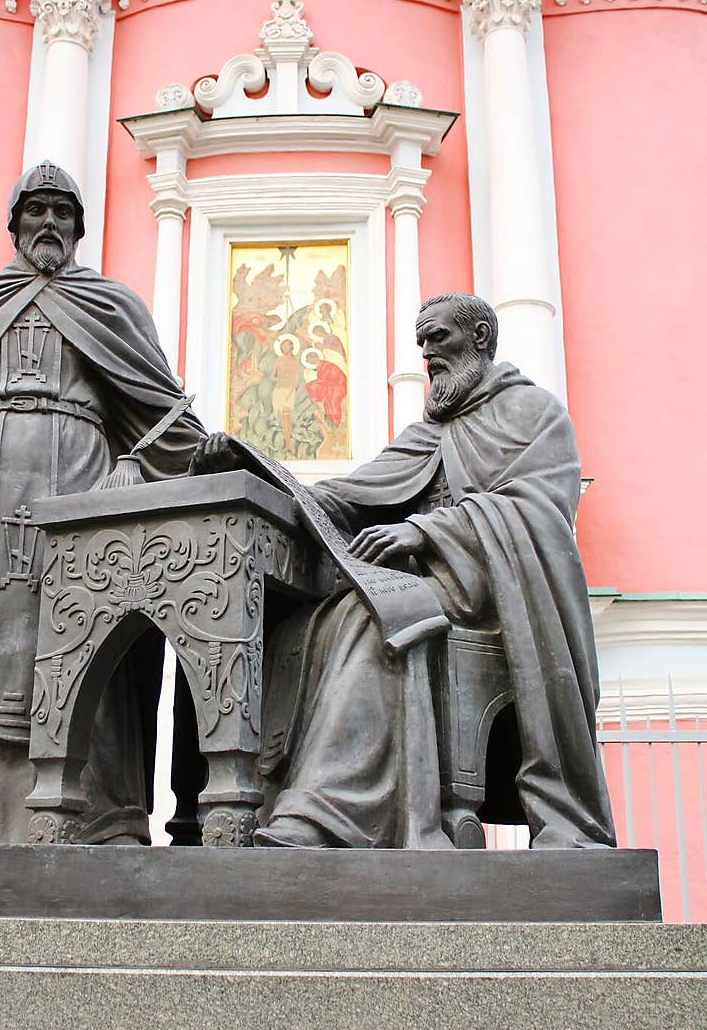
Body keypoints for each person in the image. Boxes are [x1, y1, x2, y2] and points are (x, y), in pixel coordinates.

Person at [192, 292, 616, 850]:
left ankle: (328, 814)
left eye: (437, 337)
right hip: (426, 585)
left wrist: (427, 532)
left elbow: (540, 512)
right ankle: (298, 806)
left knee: (380, 621)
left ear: (481, 338)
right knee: (320, 618)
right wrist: (250, 466)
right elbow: (343, 498)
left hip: (496, 589)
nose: (427, 352)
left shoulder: (533, 415)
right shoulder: (429, 434)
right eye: (421, 342)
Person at [0, 161, 204, 845]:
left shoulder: (112, 307)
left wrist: (134, 467)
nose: (49, 223)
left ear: (80, 228)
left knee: (84, 646)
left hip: (84, 490)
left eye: (62, 211)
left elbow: (168, 420)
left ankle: (96, 816)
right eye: (36, 210)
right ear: (14, 223)